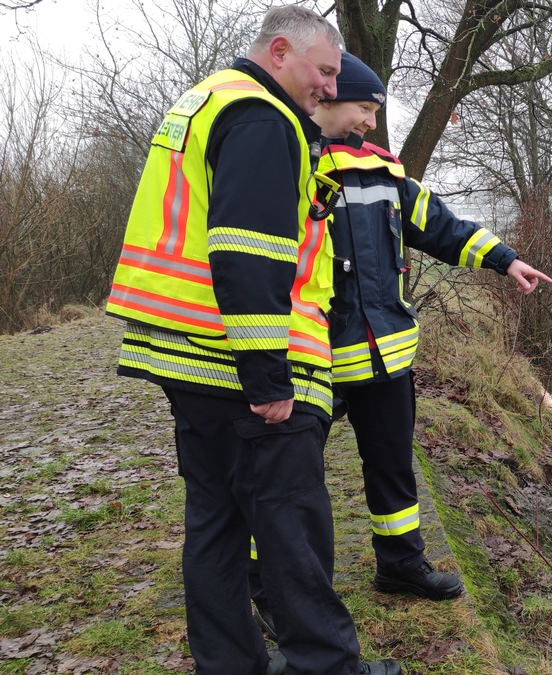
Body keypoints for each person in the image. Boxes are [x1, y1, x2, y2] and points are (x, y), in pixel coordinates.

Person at [106, 7, 399, 675]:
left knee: (214, 522)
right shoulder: (263, 119)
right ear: (279, 52)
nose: (330, 87)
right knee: (292, 524)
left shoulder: (204, 99)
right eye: (324, 71)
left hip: (185, 350)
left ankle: (232, 663)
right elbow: (247, 253)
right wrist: (269, 378)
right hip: (237, 364)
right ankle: (329, 666)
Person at [250, 52, 552, 633]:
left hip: (385, 353)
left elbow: (440, 227)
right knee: (288, 478)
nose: (370, 121)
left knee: (392, 467)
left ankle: (401, 565)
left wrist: (505, 260)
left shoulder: (387, 172)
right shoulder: (288, 159)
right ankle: (264, 587)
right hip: (311, 355)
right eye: (364, 108)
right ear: (328, 98)